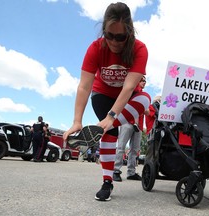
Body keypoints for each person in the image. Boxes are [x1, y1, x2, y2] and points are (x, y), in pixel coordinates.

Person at [63, 2, 151, 202]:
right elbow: (84, 87)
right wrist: (77, 121)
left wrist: (112, 117)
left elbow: (129, 87)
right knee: (110, 133)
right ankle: (107, 182)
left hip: (126, 97)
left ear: (129, 32)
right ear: (104, 30)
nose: (114, 42)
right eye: (109, 35)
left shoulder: (140, 49)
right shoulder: (95, 48)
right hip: (102, 94)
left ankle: (97, 130)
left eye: (120, 37)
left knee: (145, 100)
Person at [113, 76, 148, 182]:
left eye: (145, 81)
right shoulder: (133, 90)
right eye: (142, 81)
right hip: (128, 122)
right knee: (121, 147)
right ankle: (115, 171)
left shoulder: (142, 94)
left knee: (135, 150)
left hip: (139, 126)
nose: (144, 83)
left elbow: (147, 112)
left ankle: (131, 172)